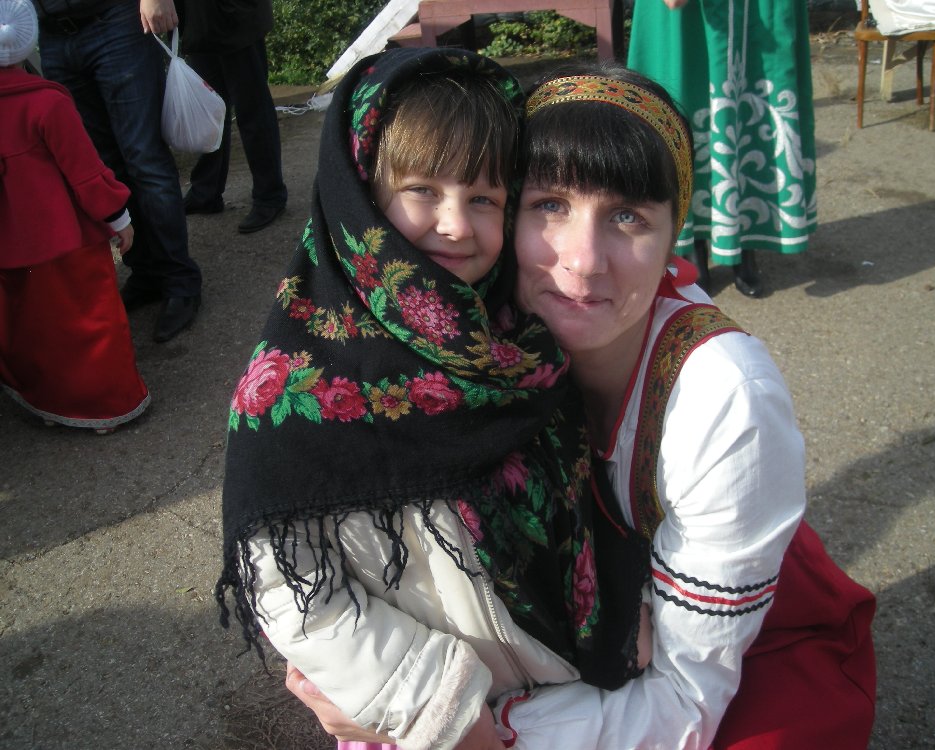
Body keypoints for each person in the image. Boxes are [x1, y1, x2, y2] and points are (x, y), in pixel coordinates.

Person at [288, 63, 877, 749]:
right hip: (574, 648)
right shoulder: (472, 327)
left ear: (672, 241)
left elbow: (687, 699)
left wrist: (476, 729)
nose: (584, 260)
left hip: (743, 666)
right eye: (549, 206)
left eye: (628, 217)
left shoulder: (723, 399)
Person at [215, 48, 653, 750]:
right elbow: (299, 601)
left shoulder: (517, 342)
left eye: (484, 199)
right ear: (360, 194)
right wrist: (443, 708)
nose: (455, 225)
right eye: (423, 189)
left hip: (567, 694)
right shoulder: (293, 390)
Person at [1, 0, 150, 433]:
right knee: (89, 324)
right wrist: (118, 218)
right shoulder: (47, 102)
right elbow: (85, 172)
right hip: (64, 241)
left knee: (35, 327)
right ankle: (106, 407)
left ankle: (47, 401)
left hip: (12, 247)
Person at [32, 0, 202, 342]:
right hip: (53, 34)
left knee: (144, 158)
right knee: (105, 164)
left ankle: (179, 280)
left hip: (114, 20)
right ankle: (146, 273)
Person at [627, 0, 818, 298]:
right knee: (684, 96)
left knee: (754, 90)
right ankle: (692, 246)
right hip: (684, 16)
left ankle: (744, 241)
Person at [177, 0, 287, 234]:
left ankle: (269, 195)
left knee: (252, 107)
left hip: (236, 14)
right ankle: (206, 191)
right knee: (208, 108)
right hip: (198, 19)